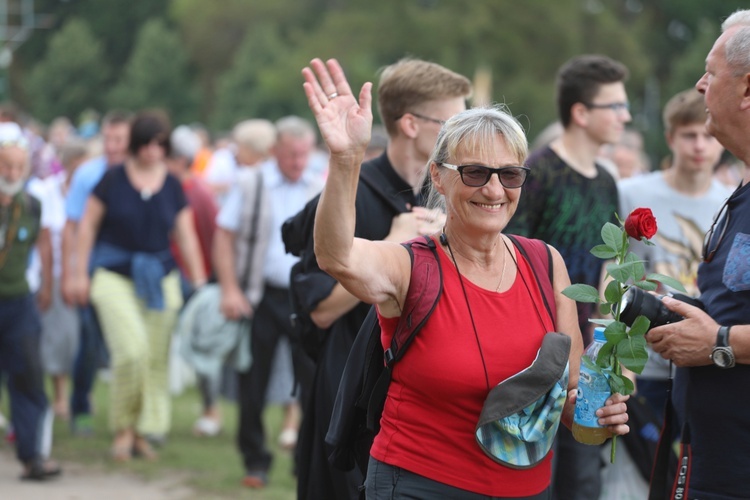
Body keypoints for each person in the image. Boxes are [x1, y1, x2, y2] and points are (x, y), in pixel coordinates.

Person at [301, 57, 630, 500]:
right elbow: (336, 256)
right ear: (438, 176)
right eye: (475, 173)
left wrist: (597, 412)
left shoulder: (546, 263)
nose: (494, 190)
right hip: (421, 485)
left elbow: (568, 393)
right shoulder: (413, 265)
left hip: (528, 489)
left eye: (509, 174)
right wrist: (346, 159)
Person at [287, 56, 471, 500]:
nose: (464, 135)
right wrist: (390, 250)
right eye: (454, 122)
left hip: (422, 402)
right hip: (349, 398)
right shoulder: (345, 196)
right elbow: (319, 313)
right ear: (410, 124)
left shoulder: (450, 196)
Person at [505, 54, 630, 500]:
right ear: (581, 113)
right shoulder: (535, 173)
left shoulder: (606, 182)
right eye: (614, 106)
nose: (626, 116)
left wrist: (608, 344)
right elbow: (511, 263)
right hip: (535, 355)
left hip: (589, 357)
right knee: (533, 477)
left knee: (583, 478)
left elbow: (606, 273)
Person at [646, 9, 750, 499]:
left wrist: (719, 341)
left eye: (711, 73)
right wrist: (675, 313)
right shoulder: (739, 188)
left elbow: (722, 335)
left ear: (747, 90)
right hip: (708, 457)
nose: (699, 84)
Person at [71, 110, 207, 462]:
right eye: (146, 144)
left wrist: (200, 280)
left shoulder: (173, 184)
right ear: (135, 145)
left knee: (154, 359)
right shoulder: (112, 180)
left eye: (159, 144)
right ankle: (122, 428)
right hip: (113, 275)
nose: (152, 151)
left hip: (161, 278)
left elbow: (186, 235)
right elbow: (86, 228)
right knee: (130, 351)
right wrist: (77, 274)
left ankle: (143, 431)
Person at [216, 116, 323, 488]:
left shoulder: (319, 181)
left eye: (304, 154)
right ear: (275, 150)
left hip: (307, 296)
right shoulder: (251, 182)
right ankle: (255, 460)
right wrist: (230, 289)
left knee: (312, 381)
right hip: (261, 295)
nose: (298, 162)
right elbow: (224, 236)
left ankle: (305, 463)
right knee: (253, 381)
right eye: (292, 154)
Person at [619, 88, 729, 422]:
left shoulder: (732, 202)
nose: (699, 146)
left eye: (706, 136)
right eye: (688, 135)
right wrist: (623, 362)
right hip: (643, 362)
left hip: (704, 359)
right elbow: (613, 274)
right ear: (670, 137)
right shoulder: (631, 194)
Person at [61, 110, 132, 436]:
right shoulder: (88, 174)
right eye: (108, 139)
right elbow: (72, 227)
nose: (113, 146)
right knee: (89, 342)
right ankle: (80, 406)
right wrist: (73, 274)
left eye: (119, 140)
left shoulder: (138, 174)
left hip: (126, 270)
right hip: (92, 267)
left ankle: (131, 417)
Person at [0, 122, 60, 481]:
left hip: (18, 301)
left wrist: (46, 287)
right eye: (5, 165)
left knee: (28, 376)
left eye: (18, 167)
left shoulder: (31, 205)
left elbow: (41, 244)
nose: (11, 173)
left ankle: (32, 455)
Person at [26, 138, 90, 421]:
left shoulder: (94, 194)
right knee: (59, 337)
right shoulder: (45, 192)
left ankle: (80, 400)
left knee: (85, 342)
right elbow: (47, 242)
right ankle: (61, 397)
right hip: (53, 275)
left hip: (85, 274)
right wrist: (52, 284)